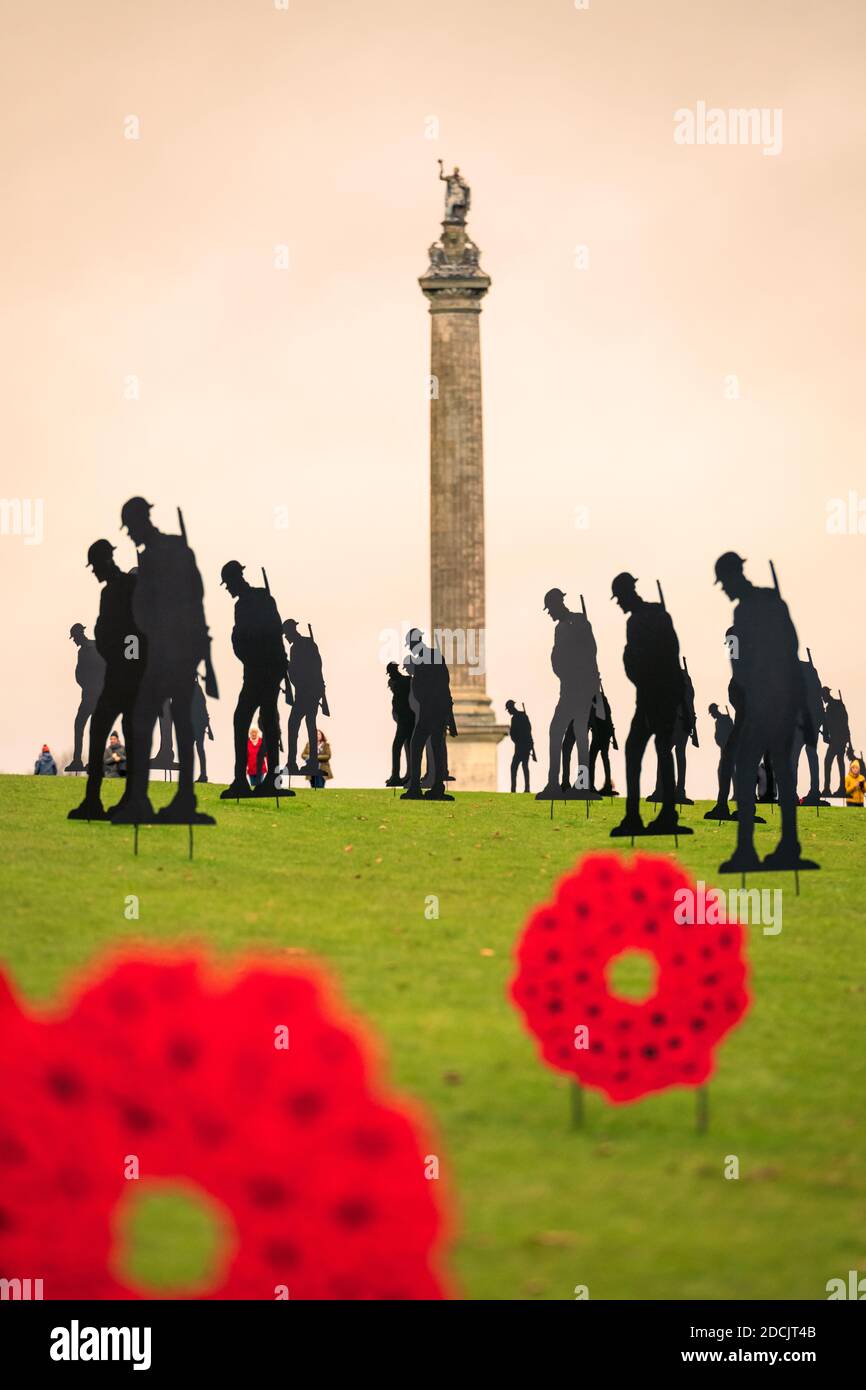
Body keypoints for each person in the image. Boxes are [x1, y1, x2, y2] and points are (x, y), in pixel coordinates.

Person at [112, 497, 215, 825]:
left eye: (130, 528)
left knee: (166, 720)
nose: (129, 535)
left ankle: (179, 797)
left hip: (173, 650)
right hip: (169, 648)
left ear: (141, 522)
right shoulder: (166, 552)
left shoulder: (169, 553)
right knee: (156, 719)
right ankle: (152, 797)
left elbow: (193, 599)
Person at [714, 552, 814, 872]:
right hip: (773, 700)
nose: (724, 590)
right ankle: (781, 845)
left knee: (750, 771)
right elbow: (787, 650)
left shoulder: (751, 610)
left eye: (725, 583)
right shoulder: (764, 605)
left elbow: (785, 652)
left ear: (734, 576)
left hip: (767, 702)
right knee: (776, 772)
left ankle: (756, 848)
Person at [68, 541, 143, 821]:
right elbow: (106, 630)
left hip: (130, 677)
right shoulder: (109, 592)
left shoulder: (130, 588)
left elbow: (136, 633)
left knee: (130, 735)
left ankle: (132, 799)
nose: (95, 572)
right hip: (114, 676)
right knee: (98, 729)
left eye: (96, 566)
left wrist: (131, 661)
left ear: (106, 561)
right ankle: (92, 800)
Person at [610, 573, 689, 837]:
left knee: (637, 751)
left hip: (652, 696)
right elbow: (672, 653)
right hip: (660, 695)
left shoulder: (638, 622)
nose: (619, 604)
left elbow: (644, 660)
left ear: (628, 594)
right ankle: (665, 814)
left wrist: (629, 664)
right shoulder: (658, 615)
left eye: (619, 598)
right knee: (661, 751)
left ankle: (638, 816)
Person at [219, 561, 286, 800]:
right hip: (268, 668)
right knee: (268, 719)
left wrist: (237, 642)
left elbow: (252, 637)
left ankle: (242, 780)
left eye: (228, 584)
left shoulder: (246, 604)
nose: (228, 589)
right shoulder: (264, 598)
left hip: (259, 670)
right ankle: (271, 781)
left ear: (237, 580)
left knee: (244, 719)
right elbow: (275, 632)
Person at [536, 588, 601, 800]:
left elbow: (590, 652)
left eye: (550, 609)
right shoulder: (562, 628)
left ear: (557, 604)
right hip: (569, 687)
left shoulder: (579, 623)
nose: (549, 613)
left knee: (578, 734)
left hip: (581, 688)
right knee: (562, 732)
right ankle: (556, 783)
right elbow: (558, 656)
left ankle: (579, 785)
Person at [401, 628, 455, 801]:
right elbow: (446, 687)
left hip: (429, 711)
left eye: (410, 645)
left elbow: (430, 688)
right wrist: (449, 717)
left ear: (415, 643)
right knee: (436, 748)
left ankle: (416, 788)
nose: (410, 648)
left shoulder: (425, 660)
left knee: (417, 746)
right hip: (438, 711)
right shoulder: (434, 657)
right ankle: (437, 788)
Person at [283, 619, 327, 778]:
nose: (285, 638)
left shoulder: (297, 648)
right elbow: (318, 666)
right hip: (313, 691)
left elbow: (297, 672)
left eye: (286, 634)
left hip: (305, 692)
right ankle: (311, 762)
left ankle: (293, 763)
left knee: (294, 724)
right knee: (310, 724)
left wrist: (286, 666)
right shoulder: (308, 644)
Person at [65, 622, 106, 772]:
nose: (74, 641)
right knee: (84, 726)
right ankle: (80, 760)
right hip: (91, 694)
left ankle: (88, 761)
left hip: (94, 696)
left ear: (78, 635)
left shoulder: (94, 648)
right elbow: (79, 674)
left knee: (86, 726)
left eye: (74, 638)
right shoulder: (86, 650)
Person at [386, 661, 415, 787]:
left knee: (398, 746)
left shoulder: (403, 681)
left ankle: (398, 775)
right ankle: (407, 775)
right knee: (407, 746)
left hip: (406, 719)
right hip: (404, 718)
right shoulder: (404, 680)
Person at [821, 687, 851, 798]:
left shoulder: (832, 707)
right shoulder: (837, 705)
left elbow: (842, 723)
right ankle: (840, 787)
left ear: (826, 695)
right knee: (839, 761)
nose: (823, 699)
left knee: (828, 761)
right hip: (840, 739)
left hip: (838, 739)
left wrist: (827, 736)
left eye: (823, 696)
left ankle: (829, 788)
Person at [505, 699, 534, 793]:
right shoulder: (522, 715)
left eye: (508, 709)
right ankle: (526, 788)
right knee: (523, 766)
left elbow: (526, 730)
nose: (508, 711)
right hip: (523, 745)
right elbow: (528, 729)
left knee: (516, 767)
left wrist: (518, 740)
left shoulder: (517, 717)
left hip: (522, 746)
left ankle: (516, 789)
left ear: (511, 708)